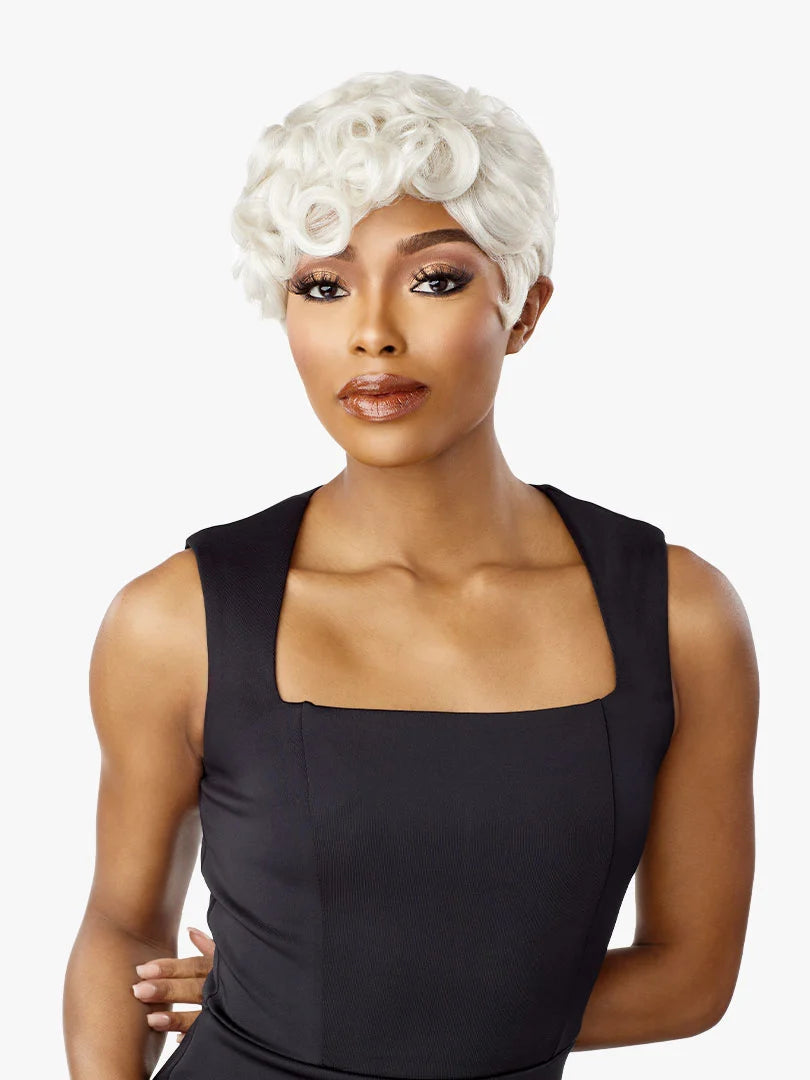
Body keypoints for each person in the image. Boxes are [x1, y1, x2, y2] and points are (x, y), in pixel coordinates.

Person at [63, 70, 758, 1079]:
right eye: (323, 285)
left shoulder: (678, 615)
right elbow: (121, 926)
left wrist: (332, 1006)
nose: (373, 331)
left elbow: (690, 980)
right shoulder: (176, 620)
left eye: (434, 279)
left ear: (525, 310)